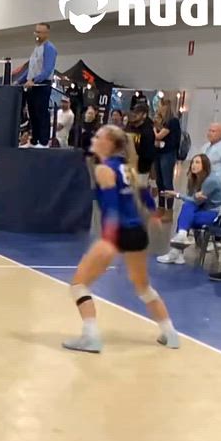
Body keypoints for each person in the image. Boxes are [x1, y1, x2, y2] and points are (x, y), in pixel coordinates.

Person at [62, 125, 179, 353]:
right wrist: (154, 213)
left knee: (78, 285)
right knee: (143, 287)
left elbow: (111, 204)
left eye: (98, 136)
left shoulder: (104, 169)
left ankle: (90, 337)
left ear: (109, 143)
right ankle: (170, 334)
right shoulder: (127, 167)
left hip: (116, 233)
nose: (94, 139)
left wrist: (110, 236)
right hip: (137, 232)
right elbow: (143, 192)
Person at [156, 155, 221, 264]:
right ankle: (180, 243)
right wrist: (190, 197)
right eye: (193, 162)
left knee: (185, 217)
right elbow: (193, 200)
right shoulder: (194, 179)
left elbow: (196, 201)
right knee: (187, 210)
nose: (194, 165)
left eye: (197, 162)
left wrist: (177, 195)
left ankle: (177, 251)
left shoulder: (211, 180)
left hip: (217, 214)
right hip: (204, 210)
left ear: (205, 165)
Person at [13, 22, 59, 147]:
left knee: (41, 112)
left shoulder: (49, 48)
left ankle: (43, 142)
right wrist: (19, 80)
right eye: (36, 32)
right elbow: (31, 69)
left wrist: (34, 80)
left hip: (41, 85)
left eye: (39, 32)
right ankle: (34, 140)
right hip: (31, 85)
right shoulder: (36, 48)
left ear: (46, 33)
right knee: (32, 113)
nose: (36, 34)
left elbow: (47, 70)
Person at [153, 99, 182, 209]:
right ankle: (161, 206)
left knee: (167, 182)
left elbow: (159, 136)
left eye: (160, 106)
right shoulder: (162, 122)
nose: (158, 108)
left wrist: (154, 129)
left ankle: (169, 208)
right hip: (158, 152)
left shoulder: (173, 121)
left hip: (168, 153)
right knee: (159, 181)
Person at [194, 122, 221, 189]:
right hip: (203, 183)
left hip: (218, 185)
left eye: (213, 131)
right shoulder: (205, 147)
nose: (210, 133)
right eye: (209, 131)